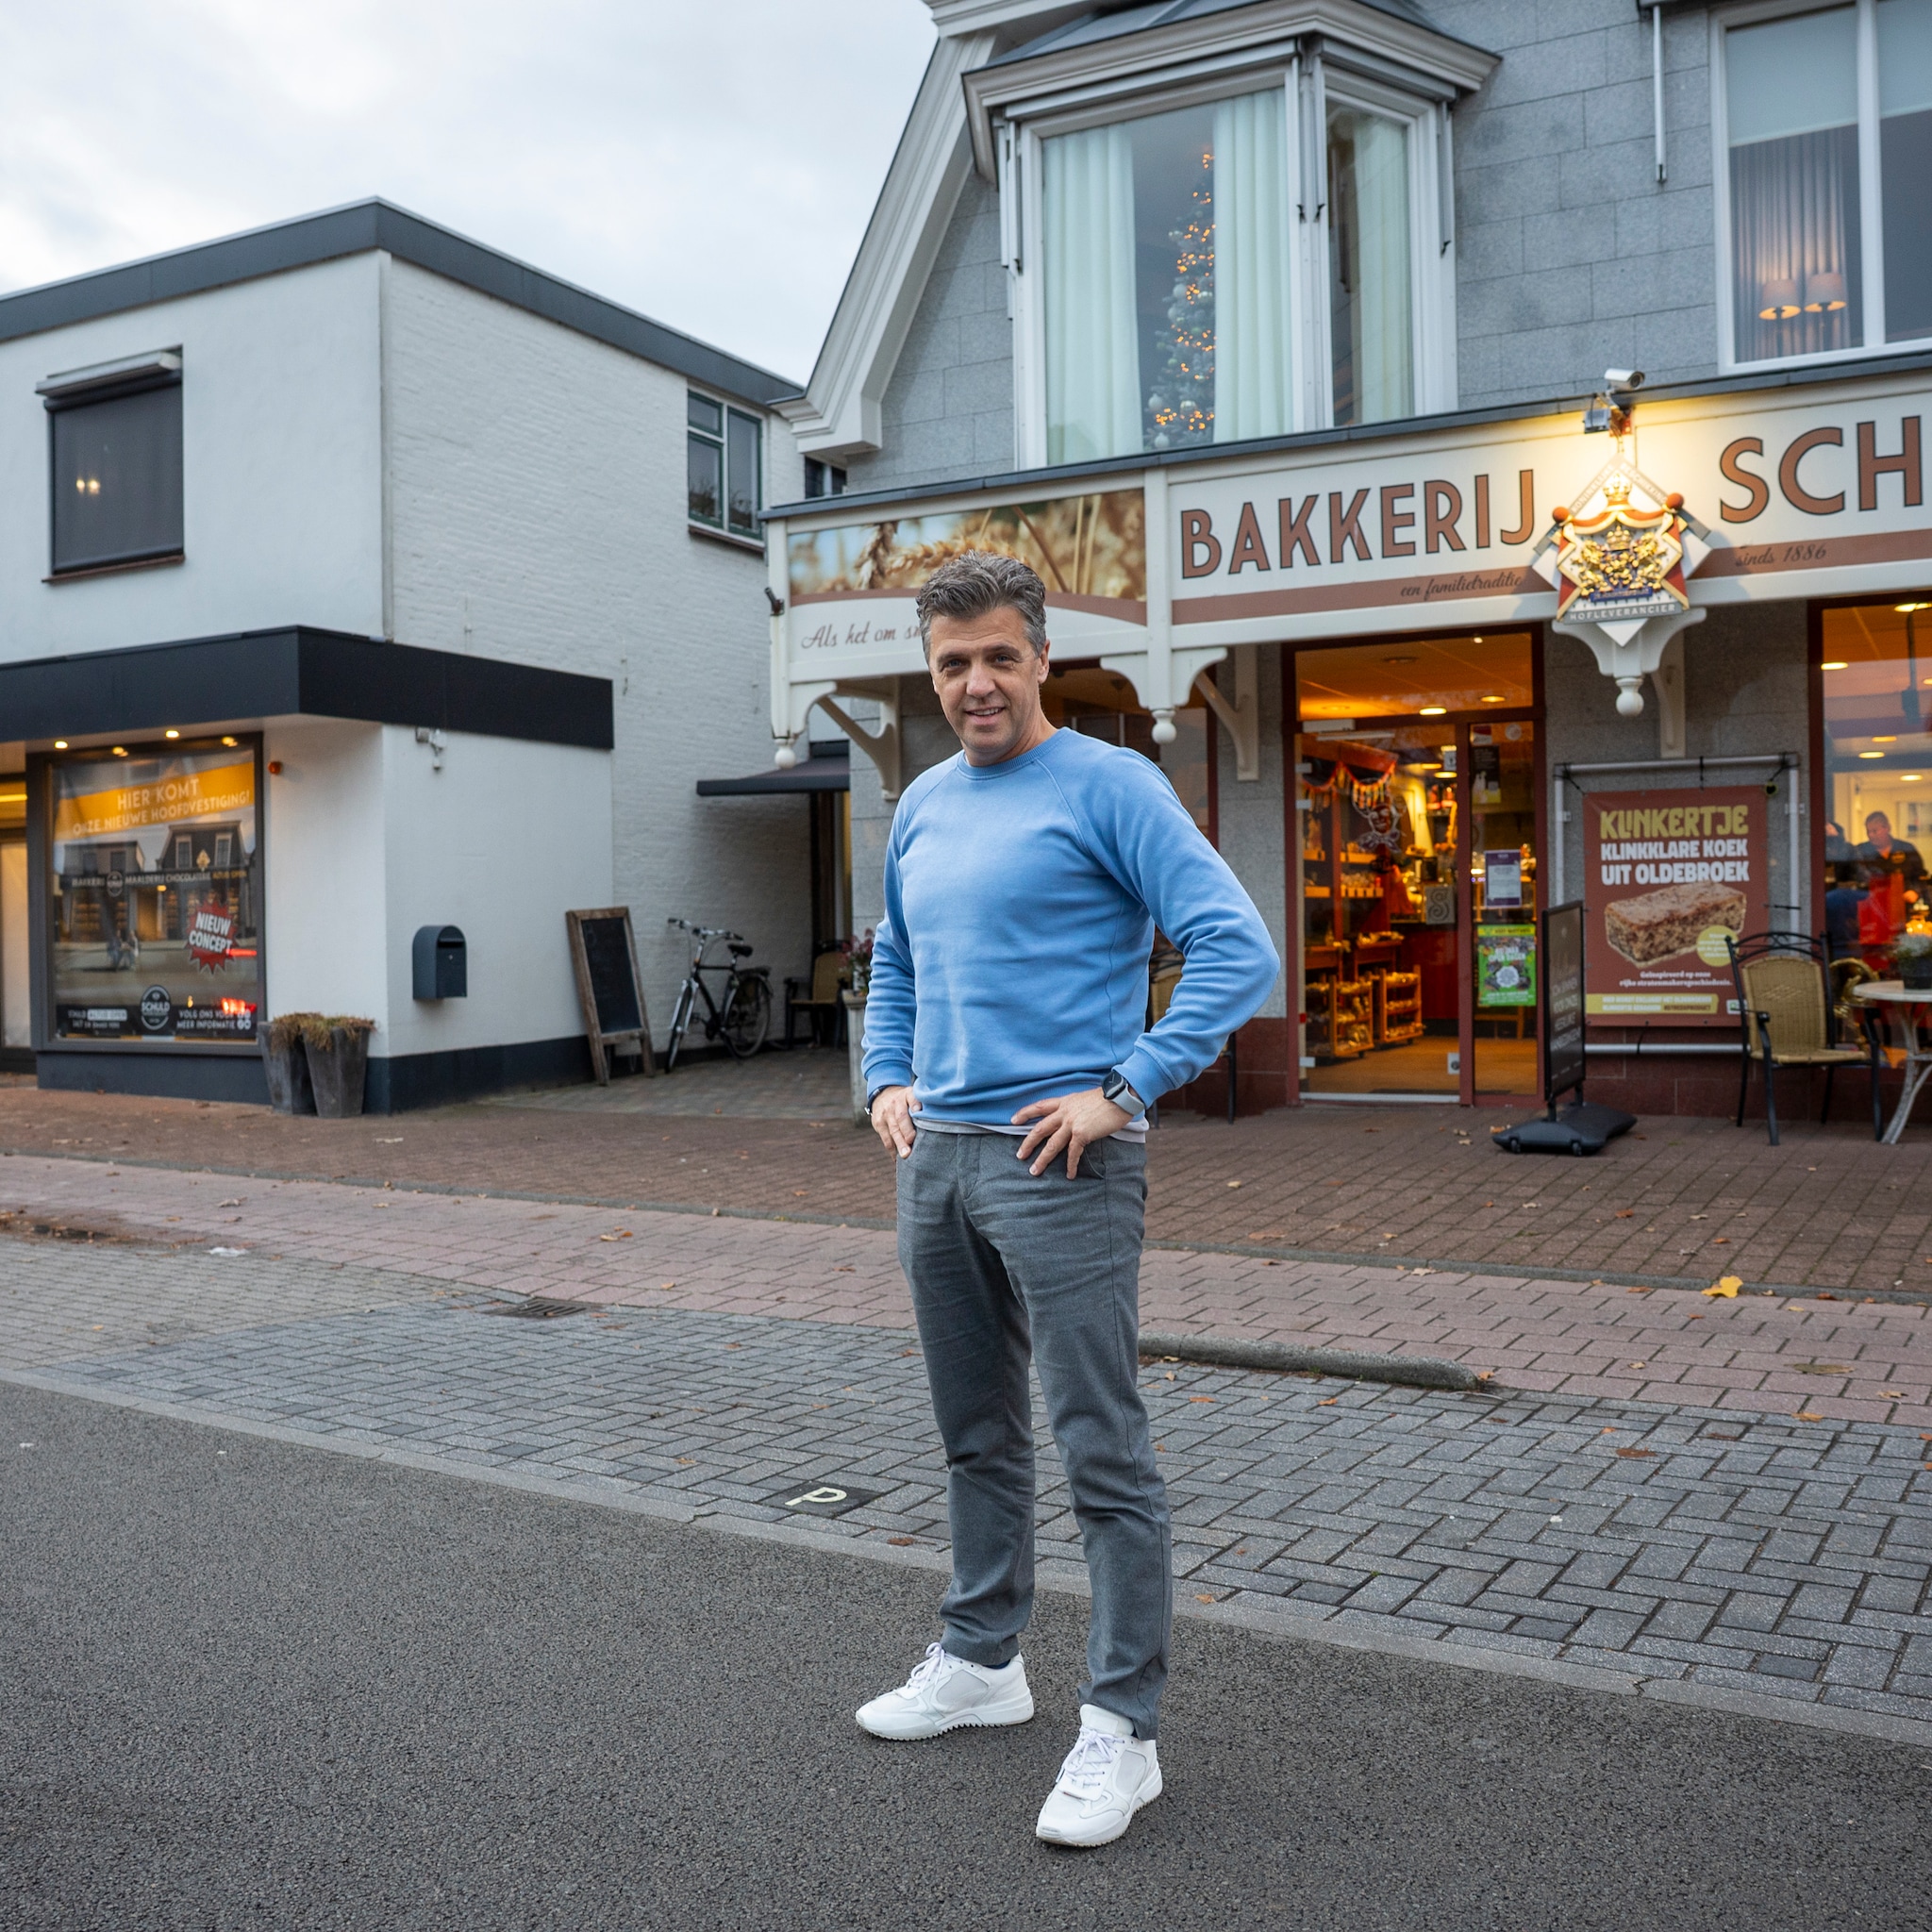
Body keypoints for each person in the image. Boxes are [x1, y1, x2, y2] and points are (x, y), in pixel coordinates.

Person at [855, 551, 1278, 1848]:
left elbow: (1237, 948)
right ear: (931, 676)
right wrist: (884, 1077)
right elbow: (901, 958)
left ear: (1041, 657)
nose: (975, 683)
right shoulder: (923, 802)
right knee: (975, 1431)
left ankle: (1122, 1730)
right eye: (951, 664)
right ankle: (984, 1661)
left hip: (1064, 1162)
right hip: (942, 1161)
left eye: (997, 657)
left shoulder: (1111, 784)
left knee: (1102, 1449)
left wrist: (1127, 1085)